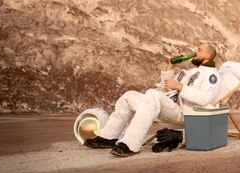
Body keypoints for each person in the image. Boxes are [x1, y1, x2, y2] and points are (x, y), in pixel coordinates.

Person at [84, 43, 221, 157]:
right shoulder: (189, 71)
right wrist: (170, 66)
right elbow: (165, 88)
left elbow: (206, 99)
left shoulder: (212, 75)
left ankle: (131, 143)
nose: (195, 51)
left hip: (184, 112)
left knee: (152, 94)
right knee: (129, 96)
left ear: (207, 55)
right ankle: (109, 136)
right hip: (168, 104)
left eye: (199, 50)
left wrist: (180, 87)